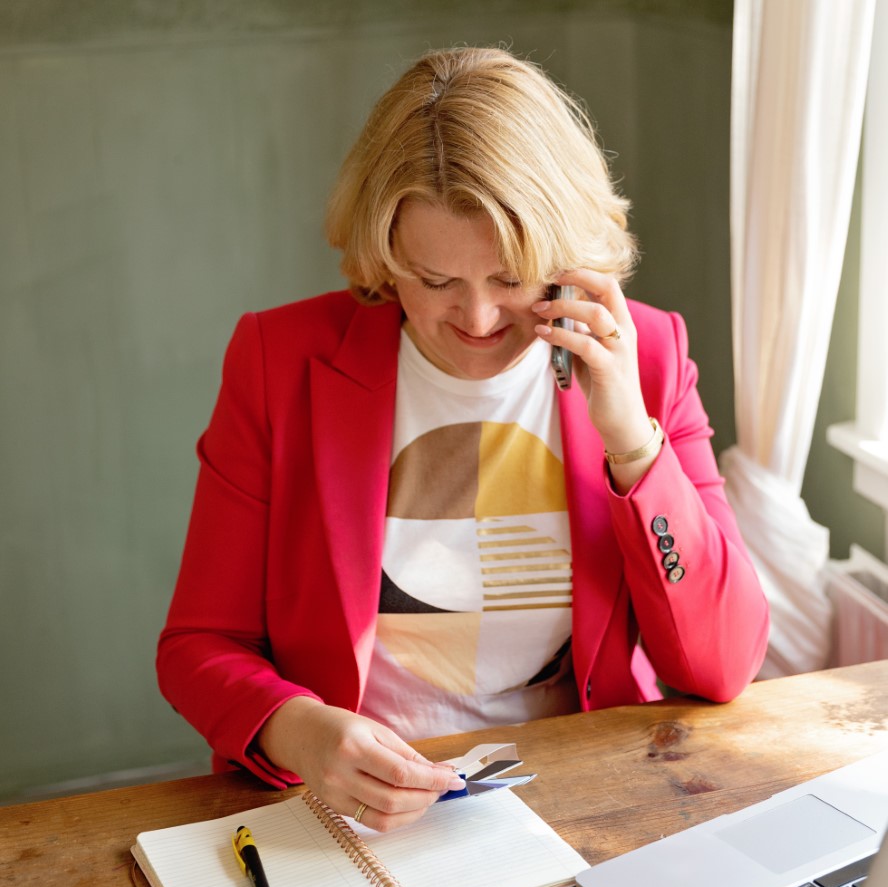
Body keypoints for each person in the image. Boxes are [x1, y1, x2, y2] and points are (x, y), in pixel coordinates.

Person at [157, 46, 769, 832]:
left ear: (566, 255)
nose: (478, 321)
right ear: (383, 258)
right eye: (436, 281)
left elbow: (725, 663)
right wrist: (301, 730)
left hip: (577, 800)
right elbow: (200, 644)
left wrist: (633, 443)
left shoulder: (644, 355)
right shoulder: (281, 362)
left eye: (511, 277)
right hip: (352, 817)